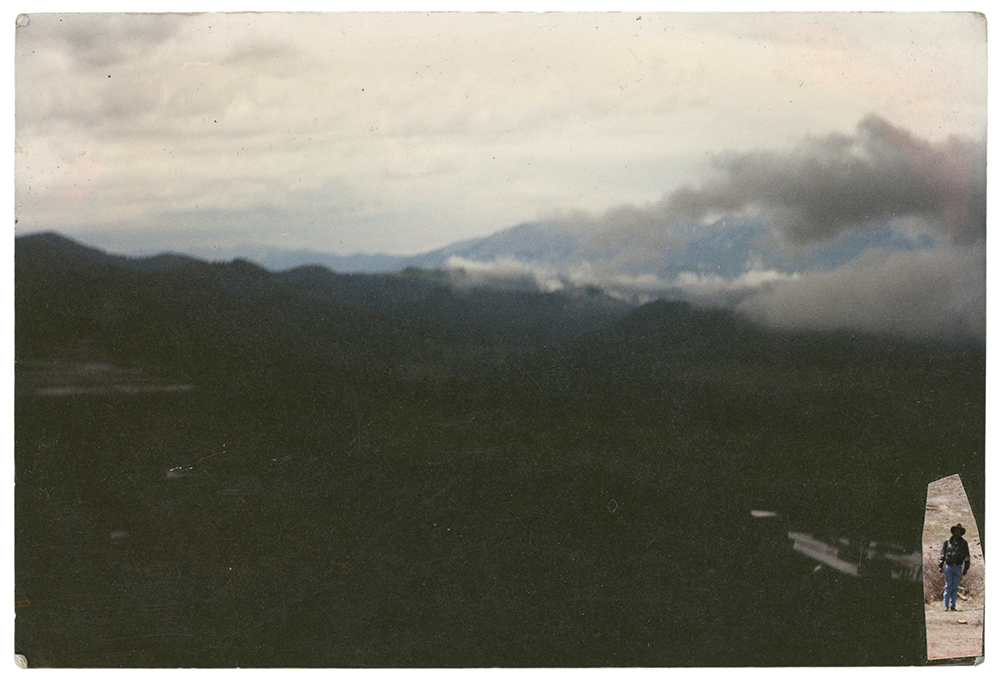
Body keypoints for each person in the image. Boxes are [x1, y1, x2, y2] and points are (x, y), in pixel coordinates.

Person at [938, 524, 971, 611]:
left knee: (955, 586)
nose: (957, 533)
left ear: (961, 533)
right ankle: (946, 606)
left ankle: (953, 606)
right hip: (948, 566)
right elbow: (943, 554)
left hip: (958, 567)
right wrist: (940, 565)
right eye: (956, 531)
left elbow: (967, 556)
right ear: (953, 532)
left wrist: (966, 568)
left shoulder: (964, 543)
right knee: (948, 586)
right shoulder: (947, 542)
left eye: (959, 531)